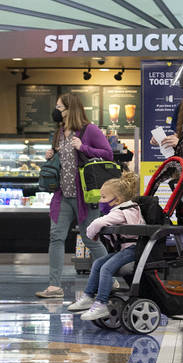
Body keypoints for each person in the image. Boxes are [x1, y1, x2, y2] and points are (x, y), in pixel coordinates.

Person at [40, 93, 112, 300]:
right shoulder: (59, 133)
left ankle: (110, 277)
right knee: (56, 237)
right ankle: (54, 286)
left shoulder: (89, 130)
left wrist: (84, 148)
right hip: (62, 194)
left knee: (91, 238)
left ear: (71, 109)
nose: (56, 111)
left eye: (59, 108)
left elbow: (107, 153)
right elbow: (62, 161)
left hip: (85, 195)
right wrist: (51, 156)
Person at [68, 173, 144, 321]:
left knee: (106, 268)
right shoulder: (124, 209)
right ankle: (88, 296)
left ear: (118, 199)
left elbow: (97, 223)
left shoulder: (123, 212)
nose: (100, 200)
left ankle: (101, 302)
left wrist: (90, 234)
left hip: (133, 249)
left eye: (103, 197)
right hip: (126, 249)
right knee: (97, 263)